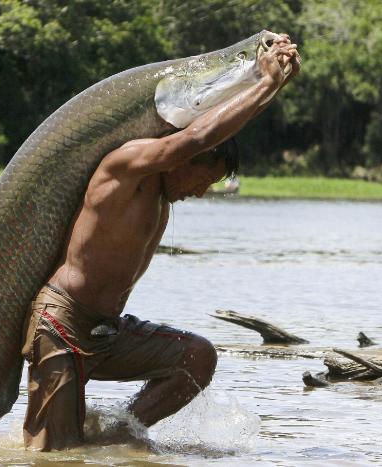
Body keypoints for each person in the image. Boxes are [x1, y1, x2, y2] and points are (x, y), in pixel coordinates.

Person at [21, 34, 301, 451]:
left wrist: (274, 82)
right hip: (62, 326)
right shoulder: (127, 166)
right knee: (52, 456)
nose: (201, 192)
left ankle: (118, 434)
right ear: (183, 161)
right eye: (203, 180)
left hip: (108, 330)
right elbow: (192, 138)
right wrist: (263, 84)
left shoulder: (161, 200)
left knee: (197, 357)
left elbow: (200, 138)